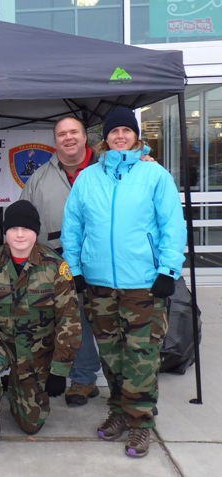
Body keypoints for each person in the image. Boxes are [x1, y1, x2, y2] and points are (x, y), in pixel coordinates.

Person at [61, 106, 186, 458]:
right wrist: (76, 269)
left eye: (126, 131)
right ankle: (118, 412)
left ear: (136, 136)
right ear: (105, 138)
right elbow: (73, 227)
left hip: (143, 284)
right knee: (112, 355)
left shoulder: (155, 176)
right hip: (99, 283)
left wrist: (168, 272)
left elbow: (172, 228)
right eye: (114, 131)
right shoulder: (88, 178)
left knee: (142, 356)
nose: (119, 136)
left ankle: (140, 424)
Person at [0, 200, 81, 462]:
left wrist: (60, 371)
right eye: (13, 228)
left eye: (26, 228)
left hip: (37, 351)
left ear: (36, 232)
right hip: (2, 343)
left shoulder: (55, 267)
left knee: (31, 424)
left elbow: (69, 322)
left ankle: (14, 384)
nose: (19, 234)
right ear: (4, 232)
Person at [19, 116, 102, 407]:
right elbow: (24, 219)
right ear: (55, 140)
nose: (68, 138)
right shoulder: (40, 177)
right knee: (73, 319)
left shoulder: (106, 169)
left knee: (109, 321)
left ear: (85, 136)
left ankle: (126, 388)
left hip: (105, 259)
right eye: (62, 134)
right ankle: (83, 378)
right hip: (57, 262)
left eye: (74, 132)